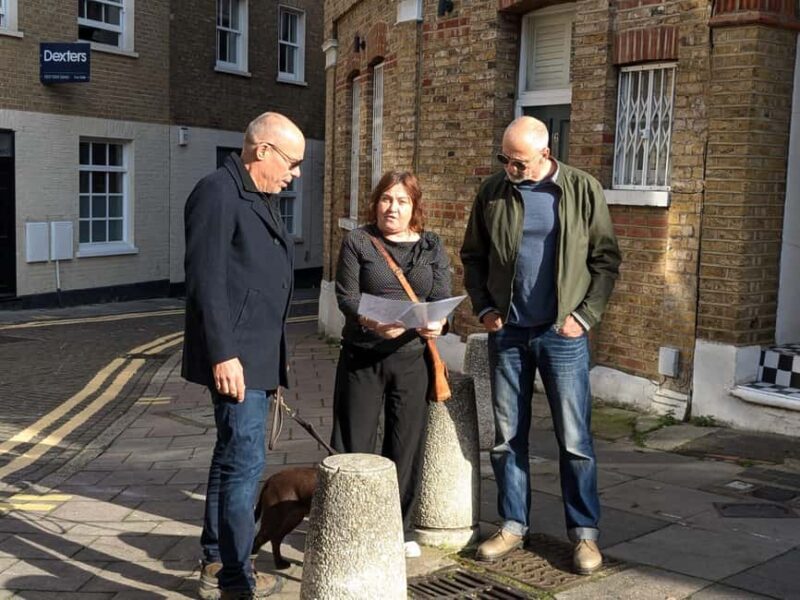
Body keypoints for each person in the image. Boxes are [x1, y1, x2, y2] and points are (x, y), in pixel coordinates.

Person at [460, 116, 621, 574]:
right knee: (508, 438)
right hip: (508, 332)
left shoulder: (581, 189)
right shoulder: (493, 191)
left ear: (546, 155)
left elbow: (605, 260)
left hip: (562, 335)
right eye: (505, 160)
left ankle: (585, 535)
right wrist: (485, 308)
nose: (510, 168)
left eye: (519, 162)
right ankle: (512, 524)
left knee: (575, 441)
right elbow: (473, 255)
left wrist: (584, 316)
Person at [182, 111, 305, 600]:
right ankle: (236, 581)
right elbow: (204, 281)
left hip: (256, 355)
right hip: (235, 360)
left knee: (228, 458)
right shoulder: (217, 192)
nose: (294, 173)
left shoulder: (260, 195)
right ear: (262, 150)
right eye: (291, 162)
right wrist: (224, 354)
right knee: (244, 466)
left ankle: (216, 557)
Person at [331, 170, 451, 558]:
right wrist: (371, 321)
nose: (392, 208)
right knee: (354, 444)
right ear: (376, 202)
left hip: (412, 359)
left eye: (401, 201)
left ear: (415, 206)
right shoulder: (358, 241)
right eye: (386, 199)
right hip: (363, 356)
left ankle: (397, 528)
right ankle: (350, 525)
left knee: (405, 443)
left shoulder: (431, 246)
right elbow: (346, 296)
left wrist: (439, 322)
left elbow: (441, 296)